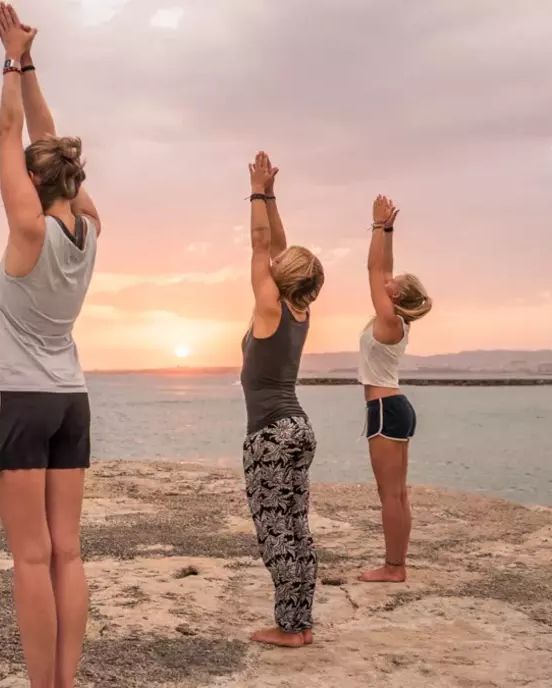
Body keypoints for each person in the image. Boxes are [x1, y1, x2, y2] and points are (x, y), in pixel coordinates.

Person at [0, 4, 102, 686]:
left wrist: (6, 61)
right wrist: (29, 62)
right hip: (70, 400)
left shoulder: (29, 232)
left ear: (35, 181)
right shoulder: (90, 226)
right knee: (67, 553)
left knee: (30, 557)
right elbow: (48, 139)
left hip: (20, 398)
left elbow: (11, 131)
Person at [240, 152, 324, 648]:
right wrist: (272, 196)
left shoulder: (270, 306)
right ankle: (301, 622)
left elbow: (261, 245)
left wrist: (254, 192)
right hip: (298, 430)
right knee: (295, 527)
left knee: (276, 532)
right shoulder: (297, 306)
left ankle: (290, 629)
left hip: (270, 434)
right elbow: (281, 249)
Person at [358, 196, 433, 583]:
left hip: (385, 409)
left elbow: (373, 268)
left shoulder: (389, 321)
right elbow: (383, 266)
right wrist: (388, 230)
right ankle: (398, 566)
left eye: (394, 283)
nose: (388, 280)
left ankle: (392, 568)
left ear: (396, 297)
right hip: (397, 406)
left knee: (390, 494)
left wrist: (374, 227)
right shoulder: (397, 319)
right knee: (399, 494)